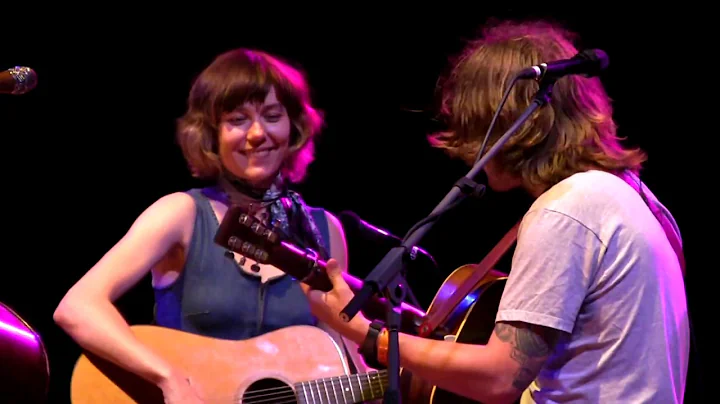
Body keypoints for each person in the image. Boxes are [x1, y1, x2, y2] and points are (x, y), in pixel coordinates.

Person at [303, 19, 690, 403]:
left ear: (507, 122)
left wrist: (367, 335)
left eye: (476, 127)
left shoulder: (566, 210)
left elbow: (500, 378)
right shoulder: (638, 197)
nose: (473, 148)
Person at [53, 48, 371, 403]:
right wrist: (167, 377)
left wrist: (412, 375)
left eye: (271, 115)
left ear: (293, 127)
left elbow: (345, 359)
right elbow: (78, 307)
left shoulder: (323, 231)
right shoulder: (181, 214)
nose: (257, 134)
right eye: (237, 120)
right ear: (211, 133)